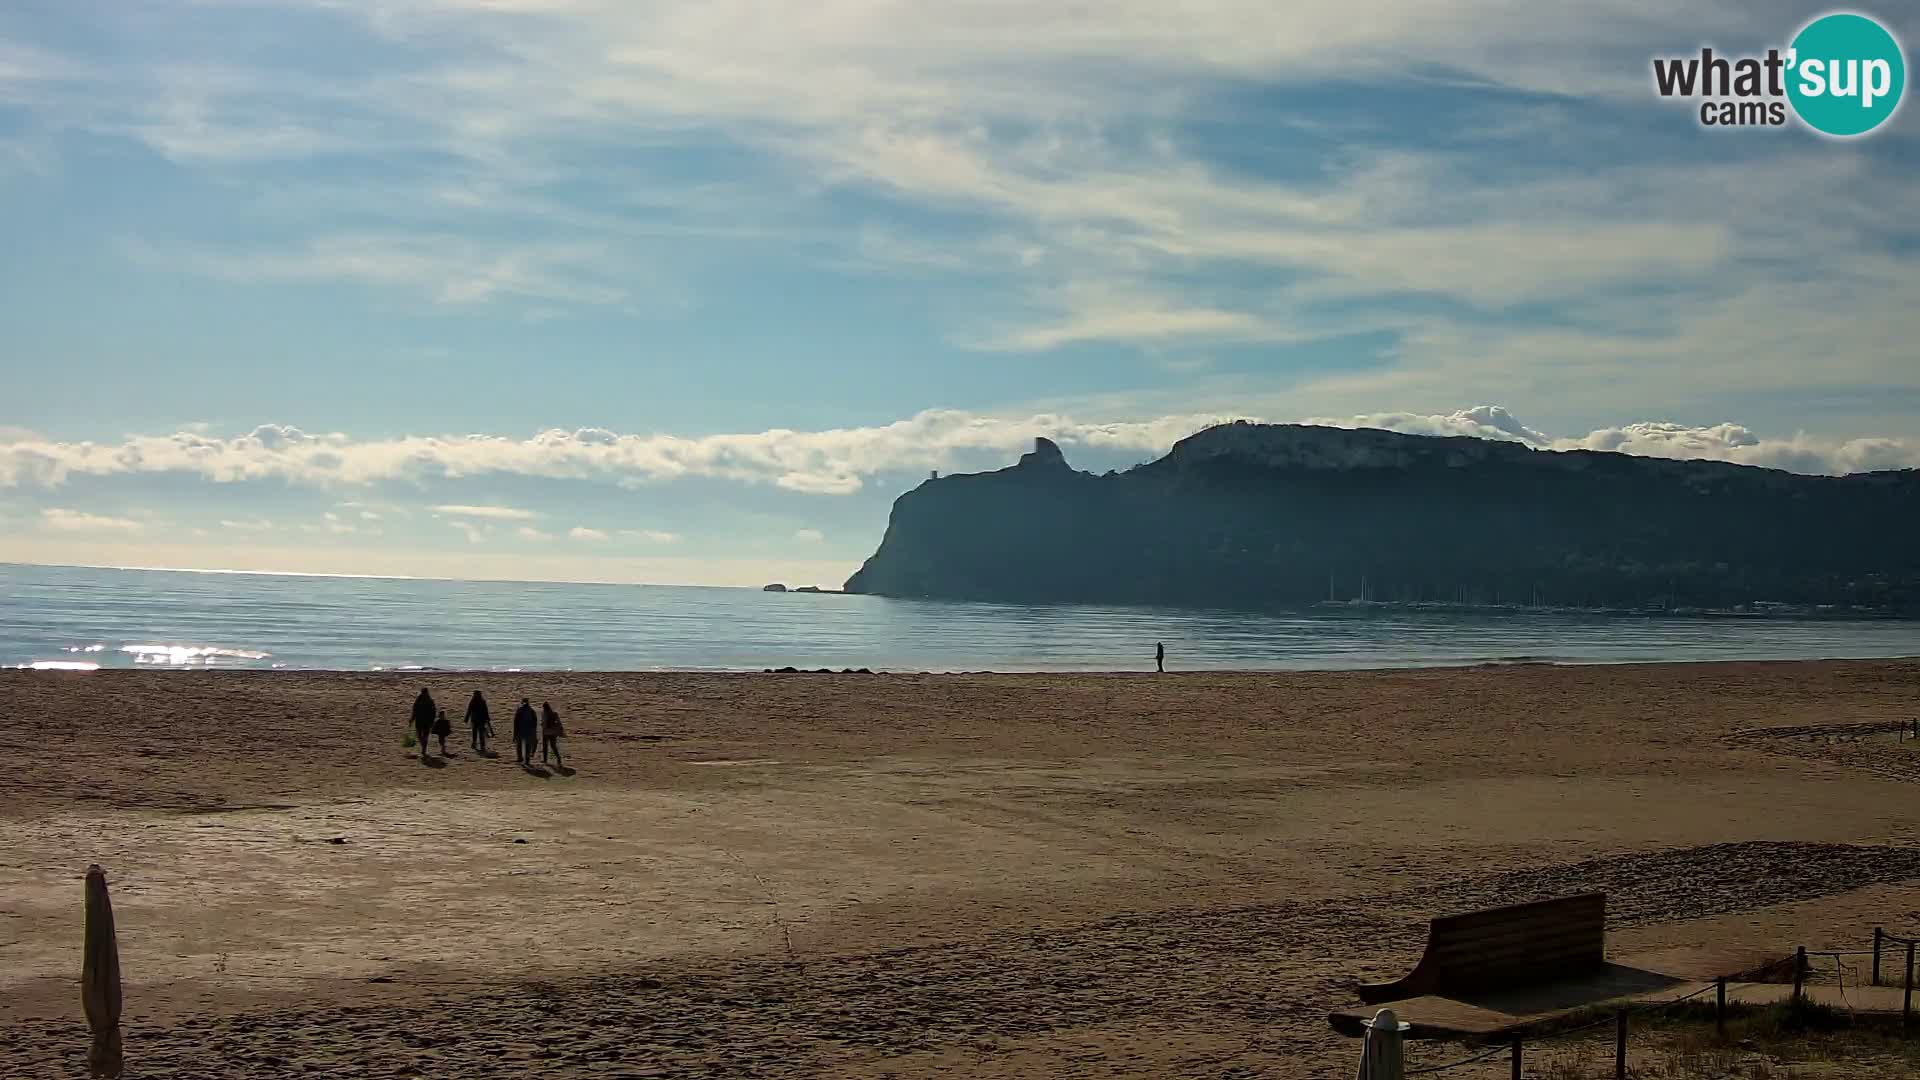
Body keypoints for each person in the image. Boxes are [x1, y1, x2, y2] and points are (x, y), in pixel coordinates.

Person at [410, 688, 436, 757]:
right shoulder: (419, 700)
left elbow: (433, 712)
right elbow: (415, 710)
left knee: (424, 736)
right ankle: (423, 747)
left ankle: (424, 749)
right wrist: (412, 719)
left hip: (425, 721)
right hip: (421, 721)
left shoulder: (429, 701)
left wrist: (432, 722)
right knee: (420, 736)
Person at [512, 698, 538, 765]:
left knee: (519, 745)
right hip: (529, 731)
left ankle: (520, 758)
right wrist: (534, 731)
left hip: (520, 730)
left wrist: (515, 733)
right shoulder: (531, 710)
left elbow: (515, 722)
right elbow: (535, 722)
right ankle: (527, 760)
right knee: (528, 746)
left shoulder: (520, 710)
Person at [540, 701, 565, 767]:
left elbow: (543, 723)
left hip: (546, 732)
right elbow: (559, 722)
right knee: (553, 746)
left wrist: (542, 724)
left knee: (545, 746)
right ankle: (558, 758)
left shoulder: (544, 713)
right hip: (553, 732)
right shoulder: (554, 713)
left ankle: (545, 760)